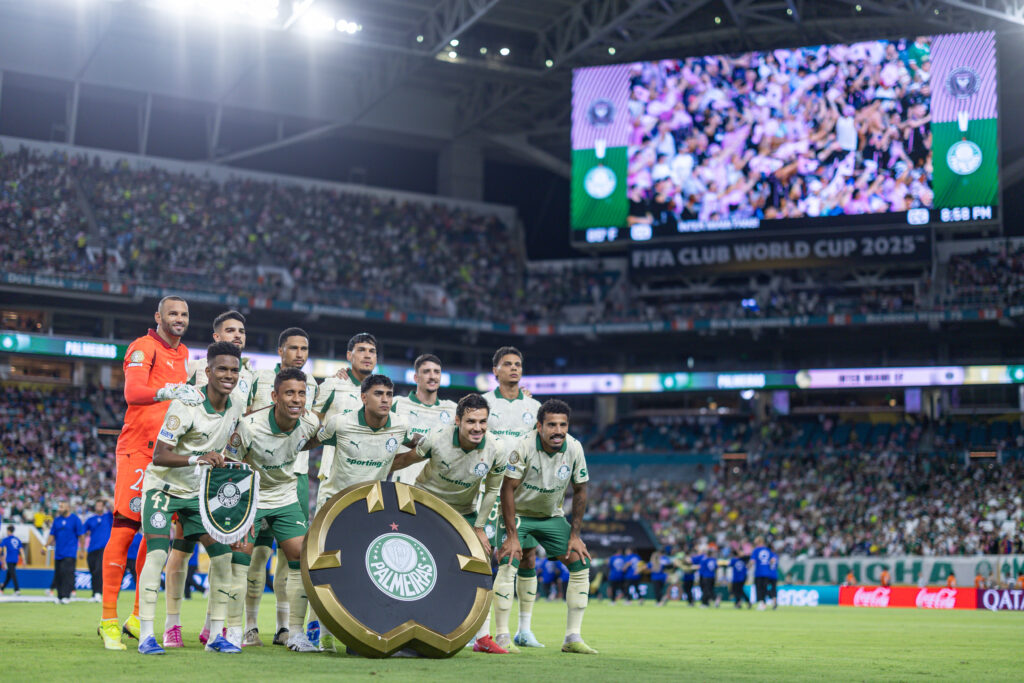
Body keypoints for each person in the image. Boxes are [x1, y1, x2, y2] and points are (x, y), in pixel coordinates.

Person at [99, 296, 201, 651]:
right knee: (125, 528)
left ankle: (137, 617)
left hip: (168, 456)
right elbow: (132, 392)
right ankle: (108, 621)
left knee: (155, 533)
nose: (179, 319)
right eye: (172, 313)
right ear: (158, 316)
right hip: (138, 451)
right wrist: (166, 391)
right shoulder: (143, 347)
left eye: (184, 314)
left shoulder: (186, 354)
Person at [135, 341, 246, 655]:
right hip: (163, 490)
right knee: (157, 556)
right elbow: (158, 455)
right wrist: (197, 459)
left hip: (197, 494)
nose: (229, 375)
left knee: (224, 559)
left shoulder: (237, 404)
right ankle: (146, 636)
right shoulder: (185, 405)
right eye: (222, 369)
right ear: (207, 371)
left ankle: (215, 638)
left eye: (234, 370)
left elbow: (226, 447)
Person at [303, 373, 416, 653]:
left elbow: (420, 446)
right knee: (323, 567)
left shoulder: (400, 426)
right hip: (333, 502)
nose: (385, 400)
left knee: (364, 571)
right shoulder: (340, 423)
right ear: (363, 398)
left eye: (389, 394)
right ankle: (316, 631)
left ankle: (360, 634)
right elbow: (306, 443)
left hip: (370, 506)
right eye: (379, 394)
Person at [389, 393, 508, 654]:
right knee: (414, 566)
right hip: (426, 506)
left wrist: (478, 527)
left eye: (482, 421)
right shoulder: (437, 438)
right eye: (471, 421)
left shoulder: (496, 448)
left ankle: (482, 637)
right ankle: (400, 627)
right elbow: (403, 461)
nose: (477, 428)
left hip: (463, 511)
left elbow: (491, 491)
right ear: (458, 421)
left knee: (483, 564)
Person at [167, 310, 257, 647]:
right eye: (229, 330)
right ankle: (172, 624)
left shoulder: (250, 377)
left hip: (218, 478)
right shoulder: (193, 370)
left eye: (242, 331)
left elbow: (245, 425)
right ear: (215, 335)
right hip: (184, 474)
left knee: (224, 551)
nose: (237, 336)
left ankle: (210, 626)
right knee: (182, 547)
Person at [226, 367, 322, 653]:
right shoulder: (250, 426)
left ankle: (295, 633)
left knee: (300, 558)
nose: (297, 399)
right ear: (274, 396)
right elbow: (231, 467)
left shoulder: (309, 423)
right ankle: (233, 632)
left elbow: (317, 438)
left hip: (284, 496)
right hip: (251, 496)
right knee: (240, 560)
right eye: (290, 393)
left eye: (302, 393)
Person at [494, 399, 598, 655]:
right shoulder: (524, 445)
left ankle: (572, 637)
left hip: (550, 516)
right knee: (510, 559)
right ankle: (502, 636)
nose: (558, 430)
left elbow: (581, 489)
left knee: (580, 561)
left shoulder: (574, 447)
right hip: (519, 513)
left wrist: (575, 535)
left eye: (563, 425)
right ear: (539, 426)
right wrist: (512, 535)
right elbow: (508, 487)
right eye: (551, 424)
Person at [245, 327, 319, 648]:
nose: (300, 354)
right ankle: (248, 626)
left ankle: (285, 628)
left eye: (304, 348)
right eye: (293, 348)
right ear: (280, 350)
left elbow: (318, 426)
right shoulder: (258, 378)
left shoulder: (313, 384)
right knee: (258, 553)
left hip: (295, 478)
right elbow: (242, 416)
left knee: (292, 559)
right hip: (256, 477)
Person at [483, 346, 543, 649]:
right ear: (495, 370)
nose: (514, 369)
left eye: (518, 364)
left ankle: (525, 629)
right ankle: (482, 629)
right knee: (488, 555)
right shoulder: (484, 403)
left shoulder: (535, 408)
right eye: (507, 364)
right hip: (491, 488)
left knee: (528, 555)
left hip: (524, 490)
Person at [390, 353, 457, 485]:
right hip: (403, 486)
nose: (432, 376)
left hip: (437, 489)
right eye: (426, 372)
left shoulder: (453, 410)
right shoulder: (396, 404)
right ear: (416, 377)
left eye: (436, 372)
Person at [48, 501, 83, 604]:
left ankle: (66, 596)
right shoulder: (57, 520)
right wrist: (45, 546)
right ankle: (59, 596)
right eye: (59, 506)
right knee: (58, 574)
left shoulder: (75, 519)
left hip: (70, 552)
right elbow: (52, 535)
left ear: (68, 507)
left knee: (66, 574)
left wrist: (81, 550)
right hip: (58, 552)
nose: (59, 508)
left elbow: (81, 536)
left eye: (61, 506)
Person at [83, 500, 113, 602]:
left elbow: (114, 507)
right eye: (97, 505)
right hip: (92, 548)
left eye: (100, 505)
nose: (98, 507)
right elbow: (82, 532)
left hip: (104, 548)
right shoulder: (90, 519)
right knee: (92, 571)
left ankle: (99, 593)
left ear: (103, 507)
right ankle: (94, 593)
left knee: (99, 570)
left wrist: (106, 499)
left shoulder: (108, 517)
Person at [751, 537, 773, 610]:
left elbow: (752, 561)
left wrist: (748, 566)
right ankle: (765, 602)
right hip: (767, 572)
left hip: (759, 573)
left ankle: (761, 603)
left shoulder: (756, 550)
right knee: (765, 588)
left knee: (759, 589)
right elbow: (772, 560)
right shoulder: (768, 550)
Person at [1, 525, 23, 595]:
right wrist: (24, 559)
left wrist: (3, 560)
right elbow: (21, 550)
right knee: (9, 575)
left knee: (13, 575)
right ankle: (1, 589)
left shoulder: (6, 540)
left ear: (8, 531)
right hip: (15, 559)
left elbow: (2, 550)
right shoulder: (17, 539)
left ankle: (17, 590)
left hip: (9, 559)